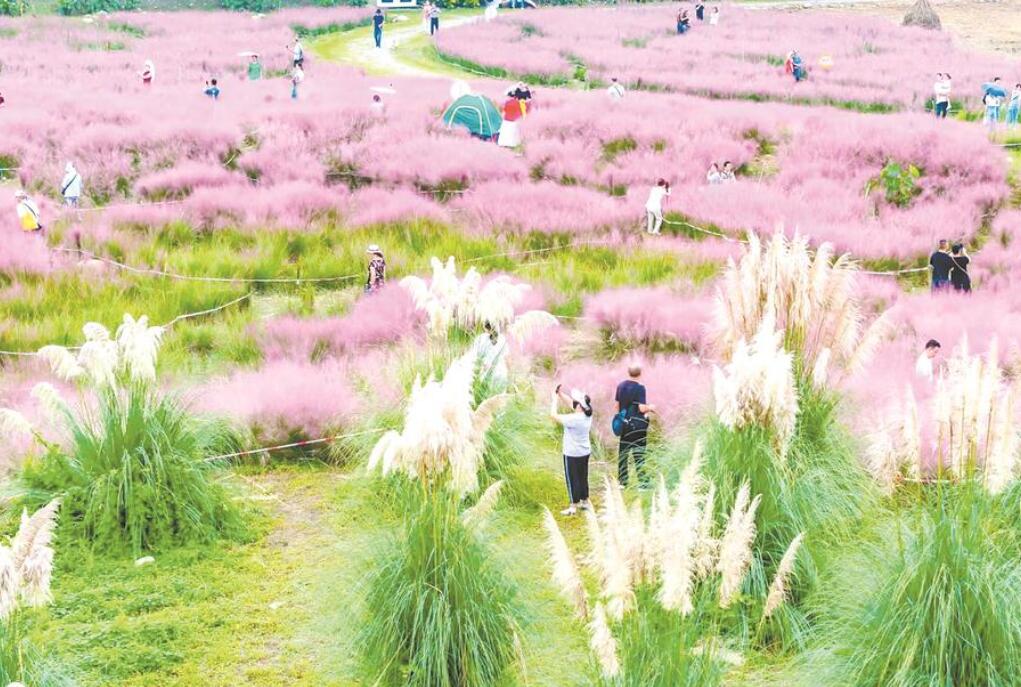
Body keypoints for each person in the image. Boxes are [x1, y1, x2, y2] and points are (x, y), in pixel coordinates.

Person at [550, 384, 593, 516]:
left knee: (572, 478)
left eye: (576, 402)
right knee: (582, 477)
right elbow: (571, 404)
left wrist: (554, 399)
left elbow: (553, 415)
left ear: (580, 406)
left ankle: (573, 507)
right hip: (584, 452)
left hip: (572, 453)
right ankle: (585, 502)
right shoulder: (588, 414)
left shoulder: (574, 419)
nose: (574, 403)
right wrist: (560, 394)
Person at [615, 365, 655, 487]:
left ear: (628, 372)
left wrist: (623, 418)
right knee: (639, 454)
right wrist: (650, 408)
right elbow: (641, 408)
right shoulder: (640, 388)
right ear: (640, 373)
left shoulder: (620, 386)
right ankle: (643, 483)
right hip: (638, 426)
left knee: (623, 454)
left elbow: (616, 407)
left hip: (624, 425)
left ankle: (622, 482)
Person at [473, 322, 509, 389]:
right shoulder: (482, 339)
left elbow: (505, 356)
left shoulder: (502, 340)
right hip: (487, 372)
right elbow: (478, 356)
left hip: (498, 373)